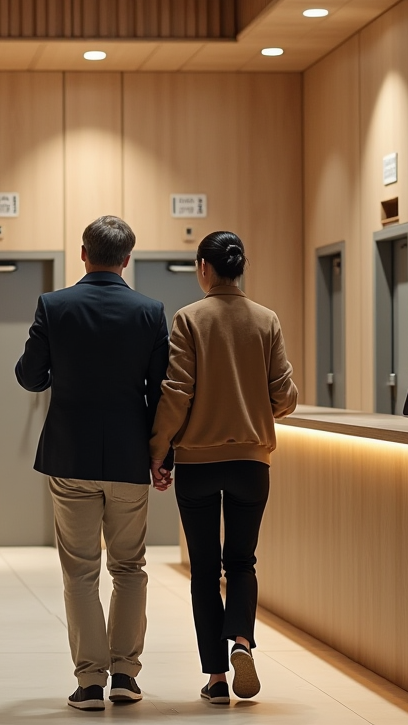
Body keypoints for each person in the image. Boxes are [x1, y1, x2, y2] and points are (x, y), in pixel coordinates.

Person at [15, 215, 169, 712]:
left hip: (71, 456)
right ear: (128, 259)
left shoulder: (54, 306)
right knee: (130, 567)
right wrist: (165, 456)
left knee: (80, 572)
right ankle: (126, 675)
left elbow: (29, 376)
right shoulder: (149, 312)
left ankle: (89, 684)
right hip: (129, 458)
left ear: (83, 253)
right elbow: (164, 390)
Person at [149, 231, 298, 706]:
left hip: (197, 463)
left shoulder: (189, 319)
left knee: (205, 570)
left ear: (204, 269)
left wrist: (159, 448)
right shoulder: (266, 320)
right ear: (240, 269)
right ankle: (242, 642)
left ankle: (215, 677)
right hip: (251, 463)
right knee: (242, 562)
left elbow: (177, 391)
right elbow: (285, 396)